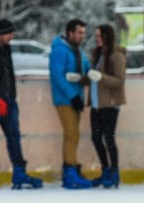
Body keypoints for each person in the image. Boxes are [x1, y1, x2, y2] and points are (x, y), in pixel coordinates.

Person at [0, 18, 41, 189]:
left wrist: (9, 97)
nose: (12, 36)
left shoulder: (6, 49)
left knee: (14, 137)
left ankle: (19, 174)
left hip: (9, 101)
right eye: (9, 33)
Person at [49, 18, 92, 189]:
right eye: (80, 33)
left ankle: (70, 169)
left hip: (76, 99)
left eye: (84, 33)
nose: (82, 36)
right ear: (70, 33)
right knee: (72, 134)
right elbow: (57, 76)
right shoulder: (59, 50)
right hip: (65, 100)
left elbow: (87, 67)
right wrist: (73, 96)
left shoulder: (77, 51)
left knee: (72, 135)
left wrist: (91, 74)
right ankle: (69, 173)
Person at [87, 24, 126, 188]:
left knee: (108, 137)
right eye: (95, 36)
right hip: (96, 104)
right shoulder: (98, 54)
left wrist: (101, 77)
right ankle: (105, 170)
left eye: (99, 36)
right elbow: (93, 77)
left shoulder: (116, 55)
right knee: (96, 137)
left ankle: (114, 172)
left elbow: (119, 80)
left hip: (110, 104)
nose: (97, 39)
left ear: (107, 36)